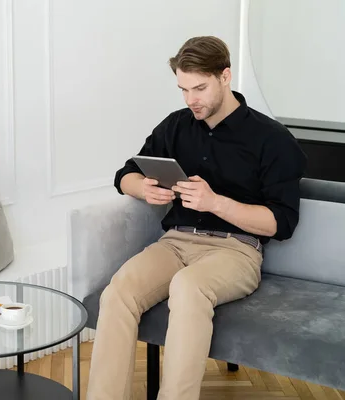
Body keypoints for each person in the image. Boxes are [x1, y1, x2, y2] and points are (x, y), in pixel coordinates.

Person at [86, 36, 307, 400]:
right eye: (183, 89)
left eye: (200, 88)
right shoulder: (176, 126)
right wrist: (144, 189)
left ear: (225, 76)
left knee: (188, 287)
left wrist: (216, 203)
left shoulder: (273, 139)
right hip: (175, 242)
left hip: (236, 251)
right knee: (119, 291)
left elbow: (281, 223)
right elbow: (124, 174)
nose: (191, 100)